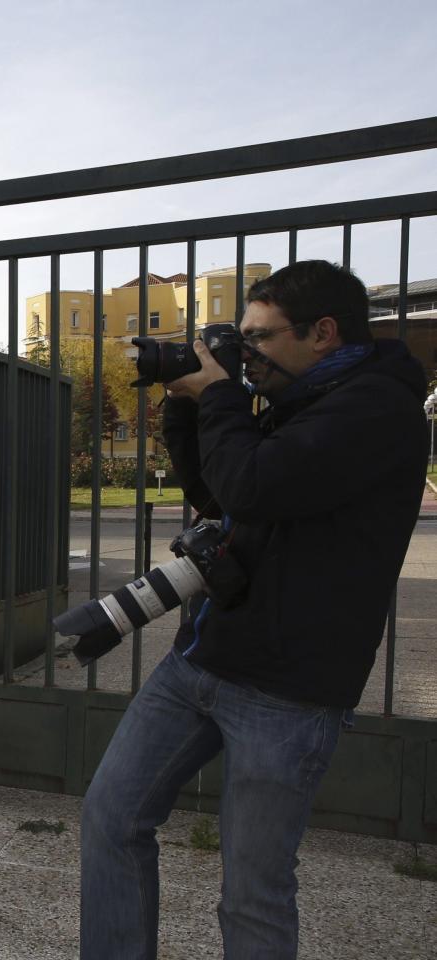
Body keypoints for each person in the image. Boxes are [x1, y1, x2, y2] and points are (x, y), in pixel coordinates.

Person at [80, 260, 427, 959]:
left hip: (289, 690)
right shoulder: (303, 398)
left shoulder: (375, 409)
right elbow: (223, 497)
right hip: (203, 658)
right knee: (111, 818)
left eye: (259, 338)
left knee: (253, 889)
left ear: (323, 332)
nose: (246, 354)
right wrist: (188, 402)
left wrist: (221, 398)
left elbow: (257, 483)